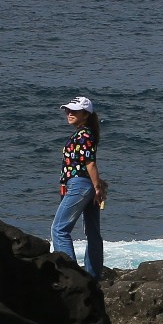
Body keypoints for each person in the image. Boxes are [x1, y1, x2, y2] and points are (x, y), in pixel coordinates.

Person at [52, 95, 108, 278]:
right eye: (68, 110)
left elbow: (89, 163)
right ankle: (93, 277)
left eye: (74, 111)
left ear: (85, 114)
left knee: (59, 229)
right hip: (85, 185)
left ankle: (71, 275)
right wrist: (97, 185)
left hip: (80, 185)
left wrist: (98, 188)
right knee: (92, 232)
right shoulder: (86, 133)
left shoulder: (83, 134)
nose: (69, 113)